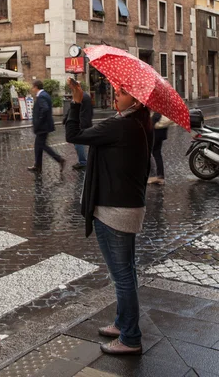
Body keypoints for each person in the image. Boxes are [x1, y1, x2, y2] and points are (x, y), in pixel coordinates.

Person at [66, 79, 153, 356]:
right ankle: (122, 323)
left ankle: (130, 337)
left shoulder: (120, 126)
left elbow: (74, 134)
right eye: (119, 88)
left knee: (122, 276)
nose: (117, 91)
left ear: (137, 102)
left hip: (114, 212)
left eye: (124, 91)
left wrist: (77, 101)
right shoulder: (140, 123)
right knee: (125, 272)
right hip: (128, 208)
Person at [28, 80, 66, 174]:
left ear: (36, 87)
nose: (32, 89)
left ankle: (59, 159)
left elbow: (45, 109)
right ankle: (37, 166)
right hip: (44, 126)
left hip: (42, 126)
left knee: (42, 145)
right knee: (38, 146)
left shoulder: (42, 96)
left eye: (33, 87)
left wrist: (38, 122)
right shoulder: (45, 95)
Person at [64, 89, 93, 170]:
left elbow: (76, 110)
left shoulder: (81, 97)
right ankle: (86, 160)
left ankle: (83, 162)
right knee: (83, 142)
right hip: (83, 121)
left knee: (78, 143)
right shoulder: (85, 96)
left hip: (81, 122)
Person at [148, 113, 172, 185]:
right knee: (157, 153)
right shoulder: (164, 108)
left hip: (156, 132)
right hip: (162, 131)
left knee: (153, 153)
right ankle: (160, 175)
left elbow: (154, 119)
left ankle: (156, 176)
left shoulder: (157, 110)